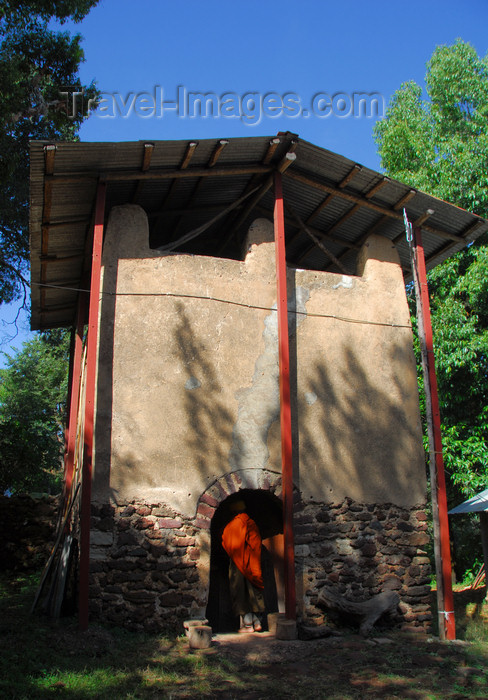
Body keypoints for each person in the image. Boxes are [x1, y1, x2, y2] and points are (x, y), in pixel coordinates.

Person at [222, 498, 265, 633]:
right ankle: (257, 622)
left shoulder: (233, 525)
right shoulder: (252, 523)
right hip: (252, 563)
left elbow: (227, 541)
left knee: (239, 591)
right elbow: (256, 544)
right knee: (254, 590)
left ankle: (247, 625)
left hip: (238, 563)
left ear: (233, 512)